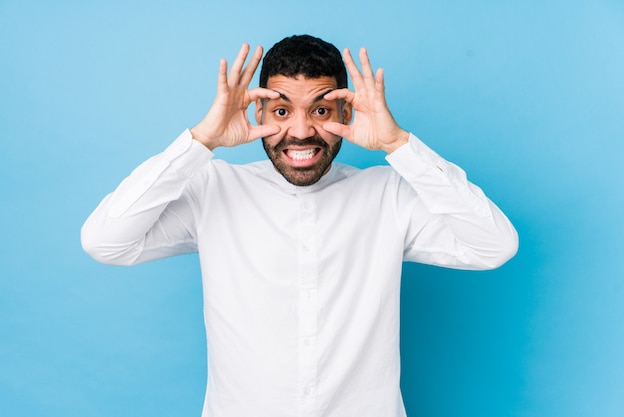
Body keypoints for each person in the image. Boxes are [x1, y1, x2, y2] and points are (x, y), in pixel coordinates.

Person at [81, 34, 518, 417]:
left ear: (345, 112)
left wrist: (398, 145)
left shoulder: (389, 194)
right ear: (257, 114)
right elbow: (105, 242)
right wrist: (201, 141)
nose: (302, 130)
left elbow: (493, 246)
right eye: (282, 110)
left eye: (322, 110)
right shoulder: (212, 188)